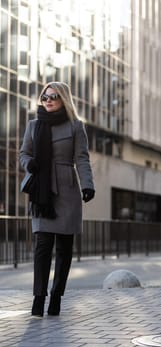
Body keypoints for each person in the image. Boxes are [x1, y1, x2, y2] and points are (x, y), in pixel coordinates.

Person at [19, 81, 95, 317]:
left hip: (67, 191)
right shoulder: (33, 126)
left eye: (53, 96)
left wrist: (87, 185)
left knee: (64, 248)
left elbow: (82, 158)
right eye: (45, 96)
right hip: (42, 191)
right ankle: (38, 297)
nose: (48, 100)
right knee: (42, 247)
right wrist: (28, 164)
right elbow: (24, 153)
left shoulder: (75, 126)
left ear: (64, 99)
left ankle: (56, 297)